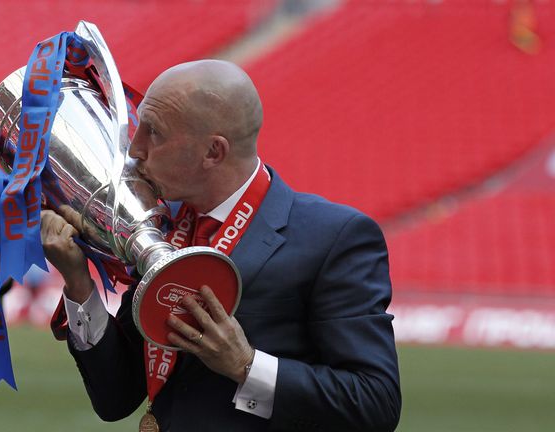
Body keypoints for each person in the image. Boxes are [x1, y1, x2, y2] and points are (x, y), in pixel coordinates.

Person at [40, 59, 401, 431]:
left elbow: (376, 403)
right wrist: (79, 284)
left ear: (214, 152)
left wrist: (247, 366)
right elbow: (115, 399)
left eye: (154, 133)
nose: (135, 149)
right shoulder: (160, 227)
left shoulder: (333, 237)